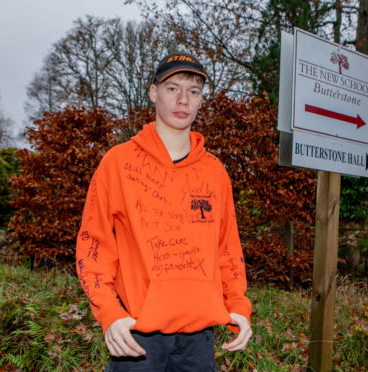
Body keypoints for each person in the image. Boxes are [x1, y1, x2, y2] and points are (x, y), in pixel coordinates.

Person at [76, 52, 252, 371]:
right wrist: (109, 313)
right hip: (137, 338)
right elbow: (94, 246)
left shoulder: (215, 173)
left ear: (201, 100)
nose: (183, 99)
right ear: (154, 92)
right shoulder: (118, 163)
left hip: (200, 340)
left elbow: (227, 248)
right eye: (172, 88)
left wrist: (237, 304)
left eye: (193, 91)